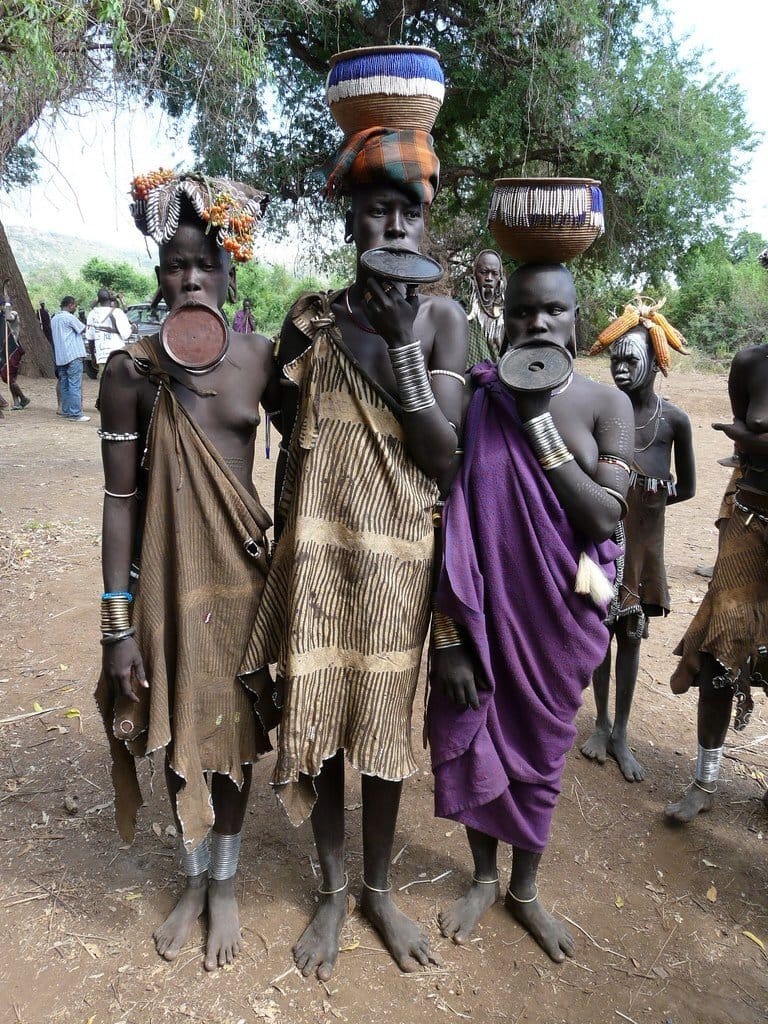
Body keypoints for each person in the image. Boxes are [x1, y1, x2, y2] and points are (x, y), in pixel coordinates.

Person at [239, 126, 467, 980]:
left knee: (379, 728)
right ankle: (332, 891)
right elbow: (282, 428)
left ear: (428, 226)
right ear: (352, 225)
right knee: (322, 724)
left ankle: (377, 889)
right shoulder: (312, 322)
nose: (397, 230)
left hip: (399, 568)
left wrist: (399, 344)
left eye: (411, 214)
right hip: (319, 558)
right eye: (378, 214)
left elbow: (444, 453)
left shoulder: (442, 322)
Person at [94, 170, 274, 970]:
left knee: (233, 735)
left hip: (241, 582)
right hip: (162, 586)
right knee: (171, 727)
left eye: (205, 261)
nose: (190, 276)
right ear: (156, 271)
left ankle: (227, 878)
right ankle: (193, 877)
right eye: (174, 261)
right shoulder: (130, 373)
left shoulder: (259, 362)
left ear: (233, 272)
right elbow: (120, 502)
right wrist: (117, 626)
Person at [427, 263, 632, 962]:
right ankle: (484, 877)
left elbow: (604, 517)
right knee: (476, 730)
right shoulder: (478, 398)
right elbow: (448, 518)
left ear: (576, 320)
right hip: (483, 612)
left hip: (562, 609)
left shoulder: (608, 406)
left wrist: (538, 416)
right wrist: (448, 636)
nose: (535, 326)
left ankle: (524, 889)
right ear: (501, 317)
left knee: (542, 749)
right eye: (520, 314)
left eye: (551, 312)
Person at [581, 322, 695, 781]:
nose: (622, 368)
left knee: (629, 635)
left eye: (632, 360)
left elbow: (686, 487)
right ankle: (600, 722)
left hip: (645, 544)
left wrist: (651, 493)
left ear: (656, 363)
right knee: (598, 632)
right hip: (603, 536)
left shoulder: (673, 421)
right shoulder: (602, 410)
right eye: (616, 360)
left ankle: (622, 732)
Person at [665, 340, 768, 823]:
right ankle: (705, 780)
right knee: (719, 648)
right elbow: (740, 446)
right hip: (749, 513)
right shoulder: (750, 363)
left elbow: (748, 436)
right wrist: (746, 437)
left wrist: (752, 436)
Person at [50, 296, 89, 422]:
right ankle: (75, 413)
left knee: (64, 384)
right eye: (75, 305)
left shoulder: (54, 318)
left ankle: (66, 411)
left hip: (61, 356)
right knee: (74, 385)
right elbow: (83, 329)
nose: (75, 307)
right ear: (70, 305)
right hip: (73, 355)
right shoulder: (69, 317)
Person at [465, 249, 506, 367]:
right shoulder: (461, 310)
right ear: (474, 275)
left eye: (494, 273)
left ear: (500, 279)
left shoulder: (505, 314)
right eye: (484, 272)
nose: (489, 278)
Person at [85, 287, 132, 375]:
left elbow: (90, 338)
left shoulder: (92, 314)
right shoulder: (118, 312)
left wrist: (93, 356)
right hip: (118, 355)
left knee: (105, 385)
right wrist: (132, 328)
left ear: (98, 300)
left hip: (101, 356)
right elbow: (125, 335)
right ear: (110, 300)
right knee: (120, 383)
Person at [1, 303, 31, 409]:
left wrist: (7, 307)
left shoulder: (13, 314)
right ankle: (16, 402)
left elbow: (9, 317)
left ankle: (23, 398)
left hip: (13, 350)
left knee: (7, 376)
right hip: (4, 351)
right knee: (10, 377)